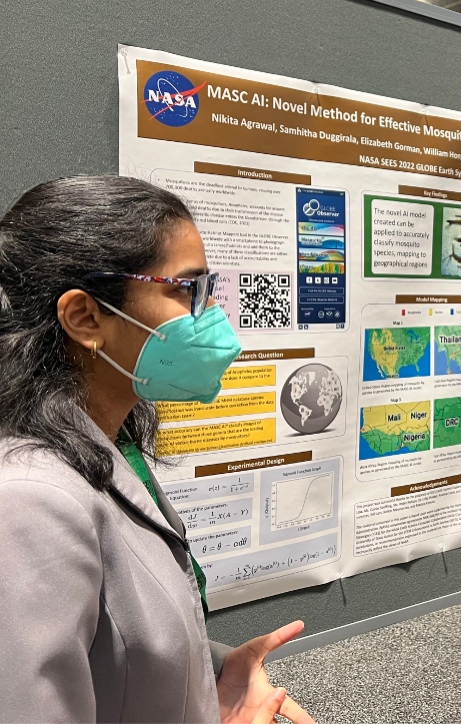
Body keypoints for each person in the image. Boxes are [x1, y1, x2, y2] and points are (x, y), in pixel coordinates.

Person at [0, 176, 313, 724]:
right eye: (186, 291)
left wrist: (206, 676)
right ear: (84, 318)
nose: (213, 317)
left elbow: (111, 647)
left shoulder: (104, 446)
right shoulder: (29, 502)